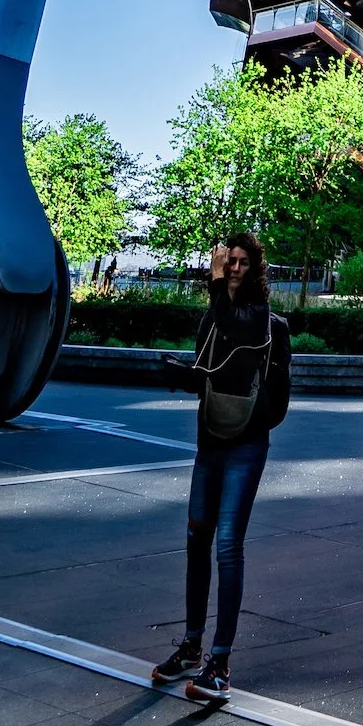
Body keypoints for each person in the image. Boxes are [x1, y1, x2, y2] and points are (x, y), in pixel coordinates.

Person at [153, 233, 291, 700]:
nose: (232, 268)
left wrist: (215, 285)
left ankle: (221, 660)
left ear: (255, 269)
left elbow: (240, 330)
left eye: (242, 262)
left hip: (246, 446)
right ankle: (191, 646)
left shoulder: (265, 322)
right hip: (209, 443)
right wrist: (181, 376)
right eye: (228, 261)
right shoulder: (212, 320)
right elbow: (212, 371)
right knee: (196, 539)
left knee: (228, 546)